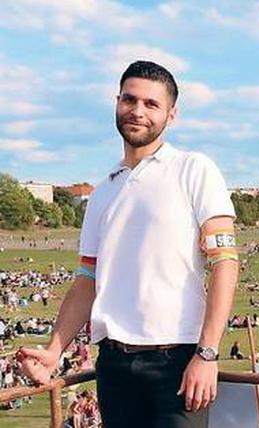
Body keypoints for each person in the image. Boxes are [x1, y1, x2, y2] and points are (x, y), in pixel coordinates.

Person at [16, 61, 239, 428]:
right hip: (114, 365)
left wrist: (208, 353)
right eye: (129, 99)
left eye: (151, 104)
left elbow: (225, 262)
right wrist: (54, 352)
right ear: (116, 102)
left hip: (178, 361)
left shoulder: (193, 168)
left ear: (172, 114)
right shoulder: (103, 190)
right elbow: (87, 279)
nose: (137, 111)